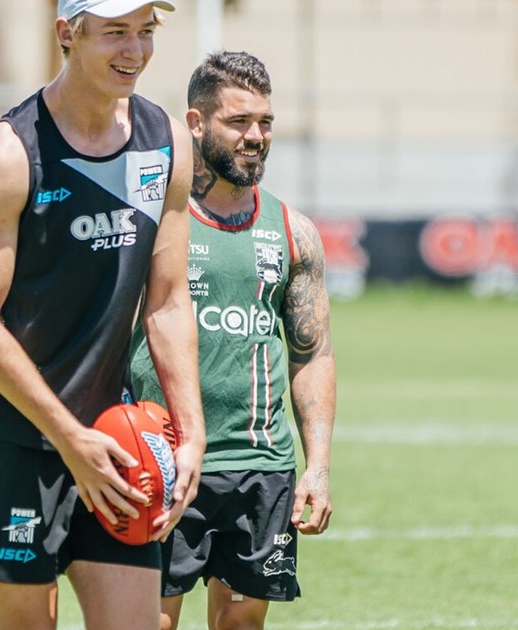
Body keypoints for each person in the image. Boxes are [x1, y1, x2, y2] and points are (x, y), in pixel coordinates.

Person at [0, 0, 205, 627]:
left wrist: (191, 430)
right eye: (115, 32)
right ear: (68, 33)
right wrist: (68, 438)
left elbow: (169, 301)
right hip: (14, 441)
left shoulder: (166, 141)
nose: (134, 50)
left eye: (145, 32)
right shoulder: (8, 154)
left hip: (118, 441)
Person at [126, 51, 336, 630]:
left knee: (241, 624)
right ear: (196, 124)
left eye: (265, 122)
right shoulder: (151, 223)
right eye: (238, 121)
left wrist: (317, 465)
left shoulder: (293, 232)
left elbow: (312, 353)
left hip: (262, 466)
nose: (256, 136)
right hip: (162, 459)